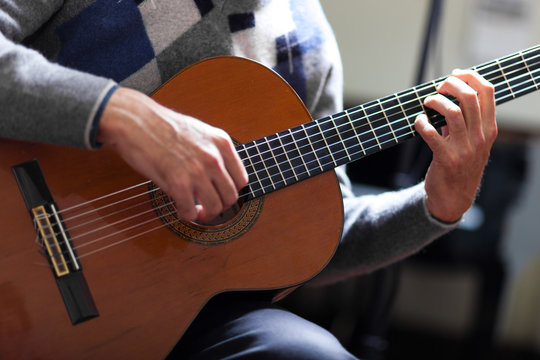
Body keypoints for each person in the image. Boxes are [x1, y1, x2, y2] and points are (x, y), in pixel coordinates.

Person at [0, 1, 496, 359]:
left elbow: (318, 235)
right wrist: (118, 113)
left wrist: (436, 206)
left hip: (186, 317)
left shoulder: (309, 37)